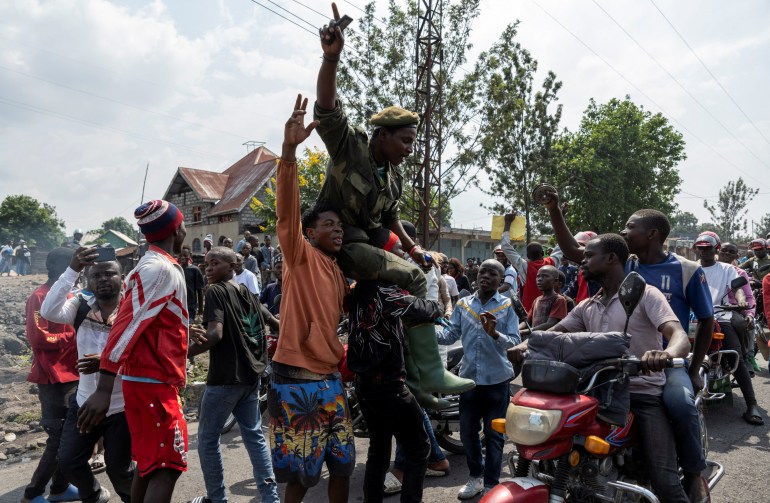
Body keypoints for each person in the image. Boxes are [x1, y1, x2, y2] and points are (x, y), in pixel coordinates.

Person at [313, 4, 471, 398]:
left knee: (418, 270)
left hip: (368, 238)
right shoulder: (350, 149)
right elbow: (328, 108)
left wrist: (415, 247)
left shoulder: (394, 176)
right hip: (340, 241)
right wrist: (331, 58)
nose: (409, 150)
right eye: (405, 141)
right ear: (382, 135)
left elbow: (392, 216)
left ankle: (416, 373)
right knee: (415, 279)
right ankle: (430, 372)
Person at [543, 190, 714, 501]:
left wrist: (684, 364)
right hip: (610, 370)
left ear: (652, 234)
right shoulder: (621, 269)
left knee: (680, 404)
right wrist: (555, 210)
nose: (623, 231)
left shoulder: (684, 270)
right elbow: (572, 251)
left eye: (629, 226)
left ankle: (691, 475)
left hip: (659, 363)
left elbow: (701, 322)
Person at [511, 234, 693, 503]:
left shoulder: (646, 295)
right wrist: (522, 347)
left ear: (611, 258)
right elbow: (554, 333)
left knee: (665, 483)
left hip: (641, 394)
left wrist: (665, 354)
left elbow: (678, 335)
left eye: (588, 256)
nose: (581, 262)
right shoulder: (587, 305)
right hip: (595, 392)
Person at [268, 94, 354, 503]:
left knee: (343, 464)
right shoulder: (299, 255)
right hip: (297, 377)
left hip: (330, 378)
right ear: (310, 231)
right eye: (328, 224)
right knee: (301, 475)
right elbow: (287, 211)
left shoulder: (338, 272)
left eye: (340, 225)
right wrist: (289, 151)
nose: (337, 230)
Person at [77, 199, 192, 503]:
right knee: (167, 467)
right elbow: (126, 326)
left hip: (150, 379)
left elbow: (148, 327)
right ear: (176, 228)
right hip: (152, 383)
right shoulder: (159, 269)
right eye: (183, 222)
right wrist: (103, 389)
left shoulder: (155, 266)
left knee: (149, 467)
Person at [188, 246, 279, 503]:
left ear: (232, 266)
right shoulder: (247, 293)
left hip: (226, 379)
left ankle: (217, 499)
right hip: (251, 377)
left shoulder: (216, 291)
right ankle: (270, 498)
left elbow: (215, 335)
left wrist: (183, 352)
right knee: (254, 436)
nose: (208, 268)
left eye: (214, 263)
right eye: (206, 264)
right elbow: (272, 321)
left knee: (207, 440)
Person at [40, 248, 133, 503]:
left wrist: (105, 364)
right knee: (68, 461)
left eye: (109, 274)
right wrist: (73, 269)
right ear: (88, 280)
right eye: (96, 275)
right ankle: (94, 495)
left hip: (121, 406)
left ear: (121, 277)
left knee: (120, 470)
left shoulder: (133, 309)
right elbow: (48, 311)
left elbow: (145, 356)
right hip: (84, 401)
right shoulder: (80, 305)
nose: (103, 279)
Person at [347, 279, 444, 503]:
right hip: (388, 386)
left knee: (378, 450)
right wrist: (442, 303)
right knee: (419, 448)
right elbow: (425, 309)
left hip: (364, 385)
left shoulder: (357, 288)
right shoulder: (384, 291)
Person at [437, 259, 520, 499]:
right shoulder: (463, 304)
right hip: (469, 381)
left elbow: (515, 342)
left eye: (493, 273)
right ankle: (475, 477)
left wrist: (495, 334)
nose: (486, 275)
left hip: (497, 381)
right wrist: (425, 330)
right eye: (483, 271)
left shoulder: (506, 306)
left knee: (494, 436)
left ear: (500, 280)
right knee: (467, 434)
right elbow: (451, 334)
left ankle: (492, 484)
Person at [22, 247, 80, 503]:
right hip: (52, 377)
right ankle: (32, 493)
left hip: (74, 374)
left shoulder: (70, 294)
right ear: (60, 268)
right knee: (58, 438)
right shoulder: (39, 296)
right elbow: (39, 336)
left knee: (73, 436)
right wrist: (72, 336)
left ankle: (59, 488)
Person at [694, 232, 763, 425]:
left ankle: (751, 405)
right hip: (692, 319)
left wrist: (741, 302)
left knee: (735, 356)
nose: (704, 251)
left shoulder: (727, 269)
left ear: (715, 249)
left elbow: (738, 289)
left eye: (708, 248)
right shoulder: (689, 269)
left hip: (719, 316)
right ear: (695, 249)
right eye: (701, 248)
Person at [501, 213, 562, 311]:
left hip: (531, 312)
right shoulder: (553, 262)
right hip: (553, 310)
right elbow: (561, 243)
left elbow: (506, 247)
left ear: (528, 256)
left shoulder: (525, 266)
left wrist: (507, 223)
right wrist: (560, 216)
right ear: (543, 253)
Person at [719, 242, 760, 374]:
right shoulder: (703, 268)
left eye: (731, 252)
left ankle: (744, 356)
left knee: (742, 323)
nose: (726, 254)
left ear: (737, 255)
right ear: (717, 250)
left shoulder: (739, 273)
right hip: (707, 310)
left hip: (731, 310)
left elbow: (747, 296)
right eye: (724, 250)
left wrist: (748, 313)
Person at [520, 265, 568, 336]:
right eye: (538, 276)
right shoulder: (537, 300)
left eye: (545, 276)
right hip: (536, 338)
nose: (539, 279)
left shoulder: (559, 299)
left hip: (550, 341)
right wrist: (517, 329)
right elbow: (527, 320)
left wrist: (523, 332)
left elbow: (550, 324)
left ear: (555, 281)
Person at [180, 248, 205, 322]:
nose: (182, 257)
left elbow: (200, 290)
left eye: (185, 255)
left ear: (190, 255)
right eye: (181, 255)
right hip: (179, 305)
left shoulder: (195, 270)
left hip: (190, 307)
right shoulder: (177, 269)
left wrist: (200, 309)